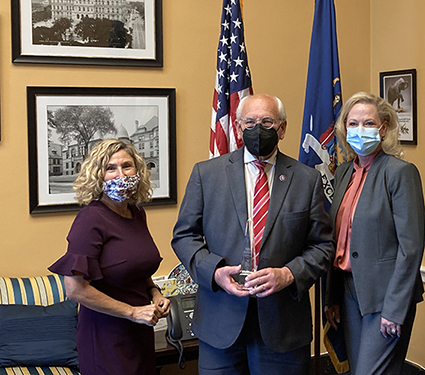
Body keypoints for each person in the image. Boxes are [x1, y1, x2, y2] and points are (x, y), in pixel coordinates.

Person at [171, 93, 334, 375]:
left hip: (282, 327)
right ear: (237, 127)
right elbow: (184, 236)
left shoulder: (307, 180)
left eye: (267, 122)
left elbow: (322, 246)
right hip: (220, 324)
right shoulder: (206, 174)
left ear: (282, 128)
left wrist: (290, 274)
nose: (258, 129)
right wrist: (215, 271)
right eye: (250, 122)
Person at [324, 92, 425, 375]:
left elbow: (411, 247)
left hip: (385, 295)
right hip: (347, 290)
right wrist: (331, 296)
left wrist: (395, 308)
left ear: (384, 128)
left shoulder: (400, 173)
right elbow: (338, 240)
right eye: (353, 123)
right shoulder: (344, 172)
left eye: (369, 123)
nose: (360, 130)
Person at [49, 139, 170, 375]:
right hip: (105, 336)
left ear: (138, 170)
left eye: (127, 166)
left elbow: (135, 269)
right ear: (98, 175)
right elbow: (75, 289)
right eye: (110, 168)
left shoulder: (137, 213)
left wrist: (154, 293)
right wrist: (132, 312)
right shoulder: (90, 218)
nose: (120, 174)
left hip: (140, 333)